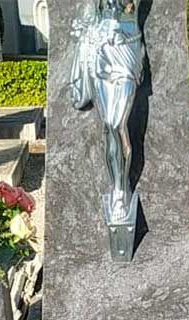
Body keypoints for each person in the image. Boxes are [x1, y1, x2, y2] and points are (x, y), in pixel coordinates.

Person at [71, 1, 144, 223]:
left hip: (125, 50)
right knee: (108, 128)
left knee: (117, 124)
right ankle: (118, 185)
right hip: (99, 53)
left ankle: (121, 191)